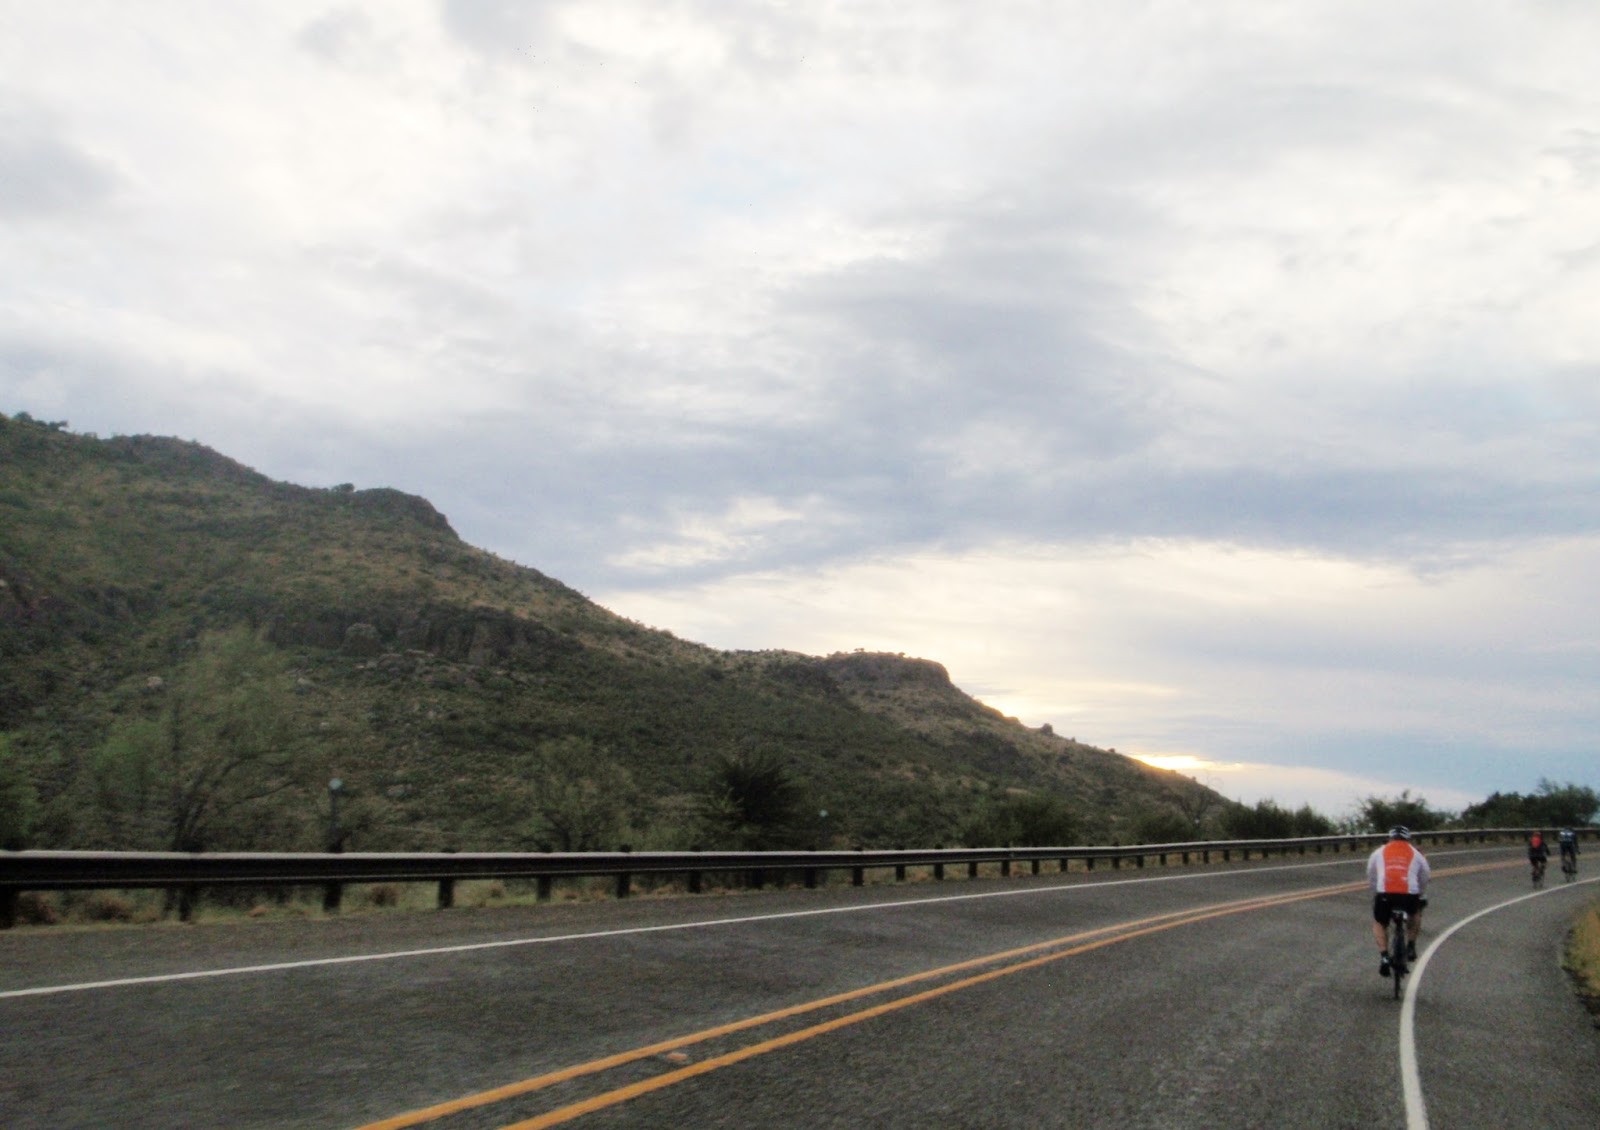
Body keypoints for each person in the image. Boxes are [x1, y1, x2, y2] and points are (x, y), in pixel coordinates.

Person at [1368, 825, 1429, 977]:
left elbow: (1371, 874)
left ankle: (1384, 956)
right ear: (1408, 839)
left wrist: (1376, 891)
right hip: (1409, 894)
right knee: (1415, 913)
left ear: (1390, 838)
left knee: (1379, 922)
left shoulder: (1379, 852)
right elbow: (1425, 875)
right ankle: (1411, 945)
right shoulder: (1416, 853)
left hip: (1385, 893)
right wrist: (1419, 893)